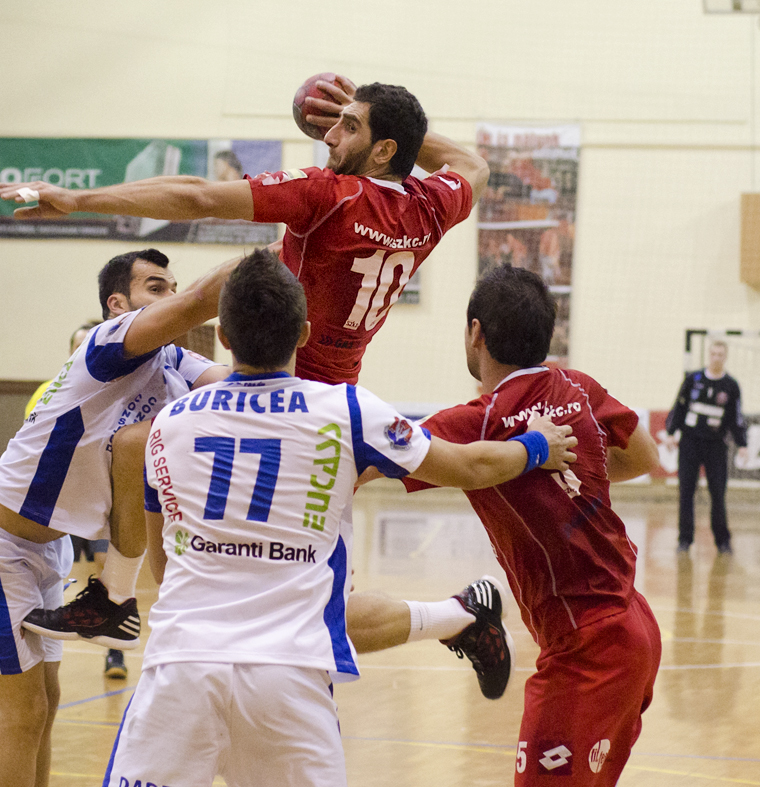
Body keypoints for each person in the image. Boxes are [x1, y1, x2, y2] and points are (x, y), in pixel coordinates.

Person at [97, 250, 574, 787]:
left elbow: (164, 570)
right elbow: (468, 466)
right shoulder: (347, 410)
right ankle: (455, 615)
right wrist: (537, 446)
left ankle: (454, 616)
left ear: (223, 337)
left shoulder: (168, 425)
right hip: (290, 678)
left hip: (181, 670)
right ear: (304, 334)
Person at [0, 249, 238, 787]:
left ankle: (114, 595)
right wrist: (297, 239)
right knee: (22, 712)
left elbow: (240, 383)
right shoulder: (108, 342)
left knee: (46, 705)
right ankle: (115, 595)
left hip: (47, 545)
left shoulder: (173, 360)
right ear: (118, 304)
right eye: (155, 287)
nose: (170, 296)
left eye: (171, 286)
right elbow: (199, 300)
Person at [0, 78, 489, 384]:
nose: (330, 135)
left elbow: (198, 197)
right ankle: (120, 348)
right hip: (341, 392)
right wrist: (385, 118)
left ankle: (103, 357)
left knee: (144, 448)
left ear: (384, 150)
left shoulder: (328, 194)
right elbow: (472, 164)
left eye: (349, 127)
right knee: (257, 263)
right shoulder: (433, 205)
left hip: (275, 380)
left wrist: (78, 199)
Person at [396, 263, 662, 786]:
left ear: (476, 332)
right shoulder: (578, 386)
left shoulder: (478, 421)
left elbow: (370, 461)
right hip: (631, 626)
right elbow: (644, 455)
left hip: (587, 652)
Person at [25, 320, 129, 679]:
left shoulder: (121, 391)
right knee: (46, 573)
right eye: (78, 346)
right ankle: (35, 652)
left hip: (101, 501)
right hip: (58, 503)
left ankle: (115, 652)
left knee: (106, 572)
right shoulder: (49, 392)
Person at [664, 339, 748, 554]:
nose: (716, 358)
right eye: (713, 354)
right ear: (708, 355)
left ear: (725, 357)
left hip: (716, 446)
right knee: (686, 492)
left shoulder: (731, 385)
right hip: (690, 443)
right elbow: (679, 407)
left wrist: (742, 444)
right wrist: (671, 433)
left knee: (718, 494)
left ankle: (722, 541)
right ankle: (684, 539)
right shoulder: (693, 379)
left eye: (720, 354)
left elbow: (736, 417)